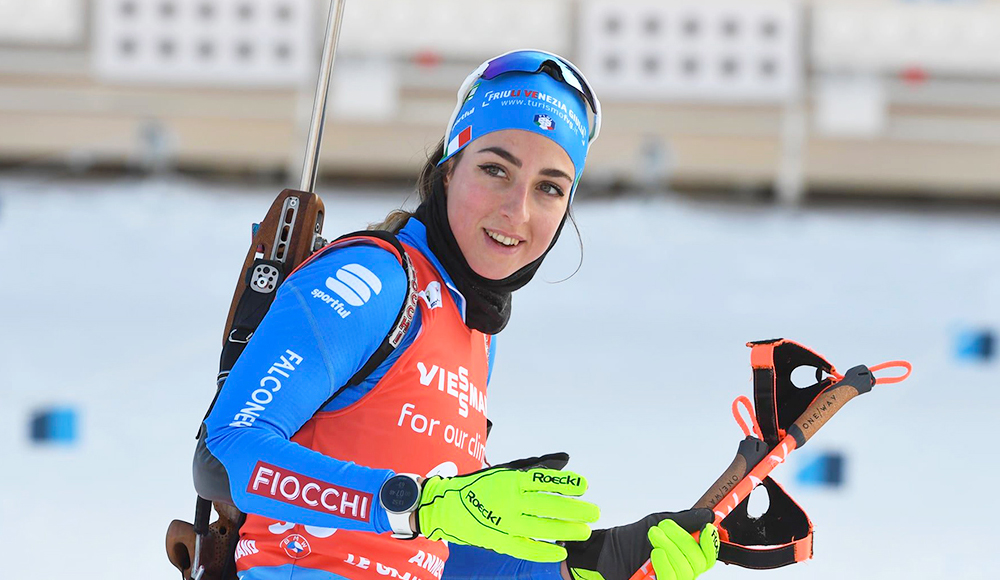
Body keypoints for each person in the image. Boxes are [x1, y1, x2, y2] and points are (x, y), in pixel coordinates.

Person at [194, 50, 719, 580]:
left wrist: (591, 564)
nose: (518, 211)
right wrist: (419, 504)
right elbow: (228, 455)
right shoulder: (373, 280)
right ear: (448, 171)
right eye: (495, 169)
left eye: (550, 188)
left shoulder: (471, 329)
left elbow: (443, 551)